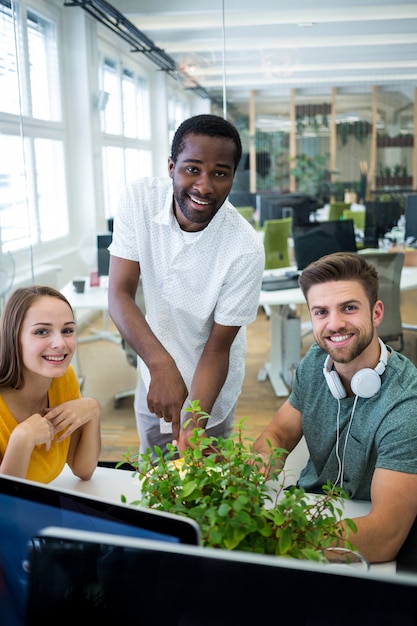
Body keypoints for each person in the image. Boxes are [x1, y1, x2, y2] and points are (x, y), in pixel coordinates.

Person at [108, 113, 265, 458]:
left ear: (233, 177)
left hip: (211, 390)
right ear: (171, 166)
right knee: (154, 477)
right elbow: (120, 294)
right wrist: (161, 365)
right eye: (192, 168)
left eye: (220, 173)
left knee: (206, 490)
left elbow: (217, 348)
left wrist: (195, 420)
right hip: (153, 375)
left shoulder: (245, 247)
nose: (205, 186)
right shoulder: (138, 200)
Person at [252, 252, 417, 564]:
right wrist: (262, 460)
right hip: (307, 510)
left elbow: (385, 535)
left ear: (377, 312)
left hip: (362, 543)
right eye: (321, 312)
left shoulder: (407, 403)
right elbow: (279, 432)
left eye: (349, 308)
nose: (335, 324)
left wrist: (277, 538)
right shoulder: (315, 362)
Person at [0, 285, 101, 483]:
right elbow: (6, 507)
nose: (60, 343)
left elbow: (83, 469)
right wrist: (23, 438)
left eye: (67, 330)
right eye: (41, 331)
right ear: (14, 337)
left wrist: (93, 410)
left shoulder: (63, 378)